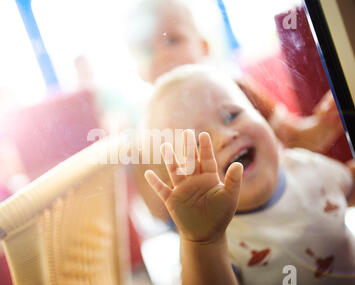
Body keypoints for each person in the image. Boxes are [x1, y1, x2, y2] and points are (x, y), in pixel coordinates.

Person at [142, 65, 355, 285]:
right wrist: (204, 244)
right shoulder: (210, 242)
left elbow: (348, 187)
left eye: (231, 115)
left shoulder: (304, 166)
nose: (225, 136)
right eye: (197, 145)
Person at [128, 0, 345, 222]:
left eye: (172, 40)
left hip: (285, 201)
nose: (161, 55)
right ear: (139, 71)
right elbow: (157, 210)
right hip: (223, 234)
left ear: (203, 46)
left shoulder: (235, 87)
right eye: (146, 50)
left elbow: (294, 137)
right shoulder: (151, 128)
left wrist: (322, 126)